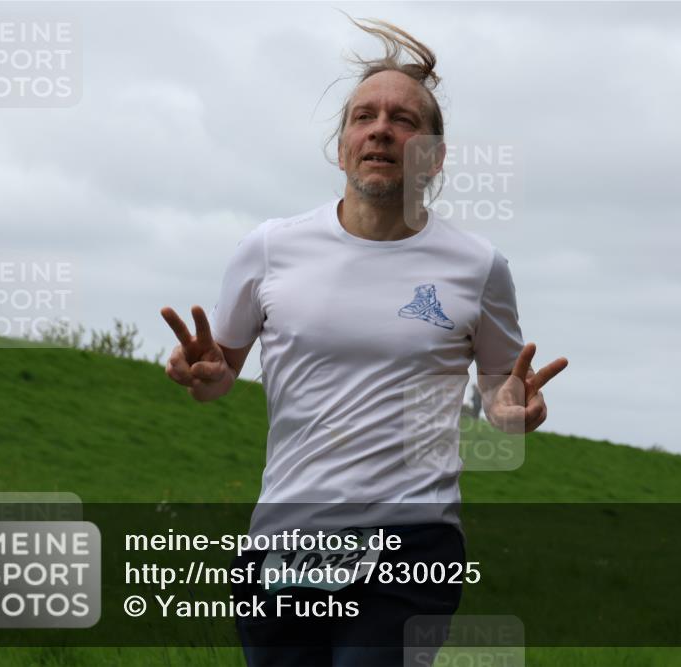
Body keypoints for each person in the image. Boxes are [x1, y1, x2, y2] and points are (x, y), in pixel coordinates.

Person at [160, 16, 567, 667]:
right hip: (285, 541)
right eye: (363, 115)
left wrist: (512, 411)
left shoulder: (478, 266)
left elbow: (500, 389)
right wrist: (207, 373)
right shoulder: (270, 248)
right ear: (342, 143)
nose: (381, 128)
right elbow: (221, 369)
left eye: (404, 119)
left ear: (433, 154)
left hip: (414, 543)